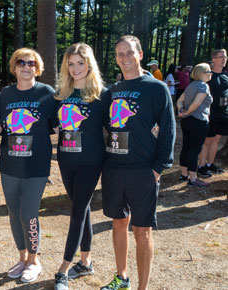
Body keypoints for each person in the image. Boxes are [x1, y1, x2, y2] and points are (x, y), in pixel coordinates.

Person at [101, 35, 175, 290]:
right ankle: (122, 278)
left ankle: (143, 288)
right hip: (114, 168)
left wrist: (158, 169)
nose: (125, 58)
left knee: (142, 231)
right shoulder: (113, 90)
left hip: (143, 170)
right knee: (118, 224)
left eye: (130, 52)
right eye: (120, 54)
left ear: (140, 54)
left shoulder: (156, 87)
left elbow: (168, 130)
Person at [0, 48, 57, 283]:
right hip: (10, 163)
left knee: (29, 213)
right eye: (20, 62)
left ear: (37, 67)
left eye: (31, 63)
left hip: (36, 164)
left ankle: (34, 260)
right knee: (13, 212)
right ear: (14, 67)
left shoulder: (47, 93)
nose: (25, 66)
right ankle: (22, 257)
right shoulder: (5, 94)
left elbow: (58, 125)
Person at [52, 43, 107, 290]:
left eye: (80, 63)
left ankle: (64, 268)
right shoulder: (61, 94)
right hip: (65, 159)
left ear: (89, 64)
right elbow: (51, 124)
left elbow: (118, 125)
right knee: (80, 209)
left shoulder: (101, 94)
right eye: (71, 64)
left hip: (90, 161)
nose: (76, 68)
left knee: (77, 210)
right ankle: (86, 262)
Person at [177, 63, 213, 186]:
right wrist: (186, 111)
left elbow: (179, 101)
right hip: (198, 121)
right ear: (202, 73)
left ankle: (184, 174)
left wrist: (182, 111)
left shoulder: (190, 86)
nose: (211, 74)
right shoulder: (204, 86)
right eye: (209, 71)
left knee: (186, 147)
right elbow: (196, 104)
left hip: (186, 121)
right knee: (194, 149)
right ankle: (193, 179)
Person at [197, 49, 228, 177]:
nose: (224, 59)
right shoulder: (208, 76)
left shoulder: (225, 76)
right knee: (207, 140)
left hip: (224, 113)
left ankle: (210, 164)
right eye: (221, 57)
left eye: (225, 57)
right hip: (210, 113)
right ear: (214, 59)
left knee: (217, 139)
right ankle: (201, 166)